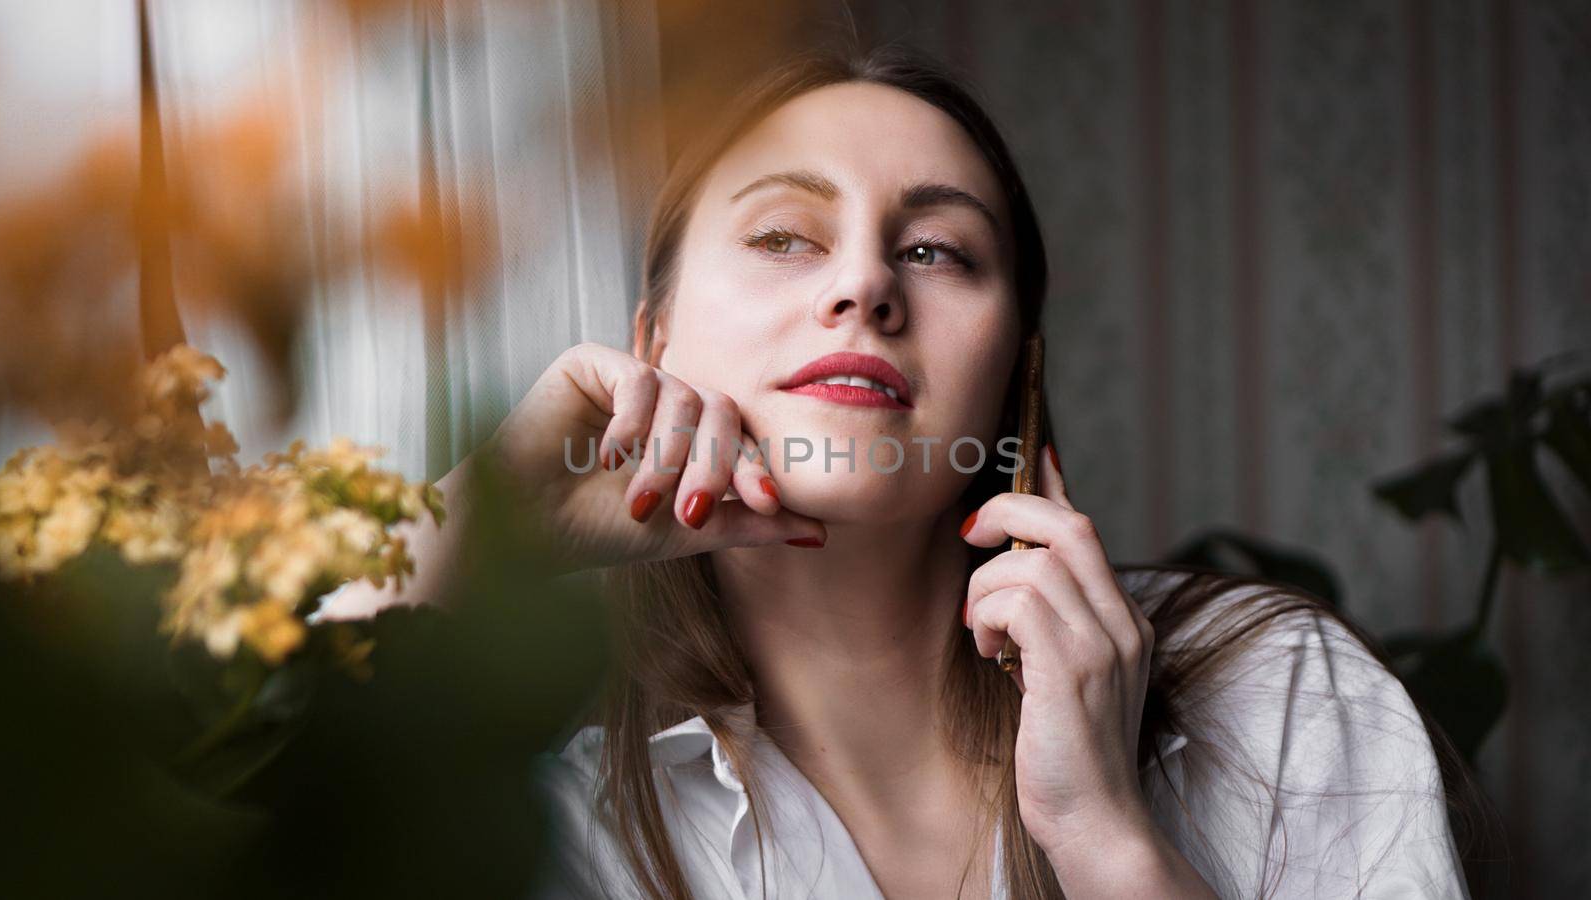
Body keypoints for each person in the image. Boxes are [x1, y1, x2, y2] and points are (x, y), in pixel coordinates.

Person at [326, 44, 1472, 899]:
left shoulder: (1273, 700)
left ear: (1012, 372)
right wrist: (468, 529)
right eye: (784, 236)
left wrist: (1109, 843)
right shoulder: (554, 830)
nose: (864, 287)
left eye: (936, 250)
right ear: (651, 344)